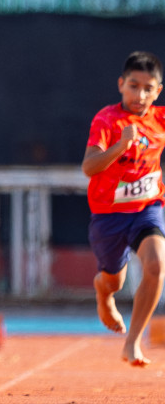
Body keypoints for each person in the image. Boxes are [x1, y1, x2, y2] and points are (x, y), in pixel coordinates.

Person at [81, 50, 165, 366]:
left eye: (148, 88)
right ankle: (103, 294)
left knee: (156, 265)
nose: (139, 95)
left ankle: (133, 343)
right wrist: (120, 147)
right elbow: (89, 167)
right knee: (113, 280)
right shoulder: (107, 120)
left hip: (147, 209)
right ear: (121, 84)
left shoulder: (160, 119)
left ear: (158, 91)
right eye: (133, 86)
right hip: (109, 216)